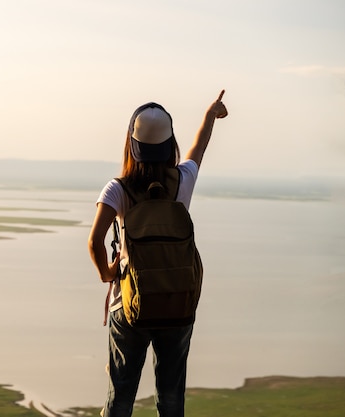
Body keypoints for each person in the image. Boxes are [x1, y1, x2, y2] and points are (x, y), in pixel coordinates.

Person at [87, 90, 228, 417]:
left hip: (130, 304)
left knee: (121, 396)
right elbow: (198, 148)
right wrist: (209, 116)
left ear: (131, 145)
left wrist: (107, 273)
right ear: (169, 145)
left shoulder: (117, 189)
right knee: (171, 397)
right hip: (177, 301)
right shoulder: (183, 180)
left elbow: (94, 242)